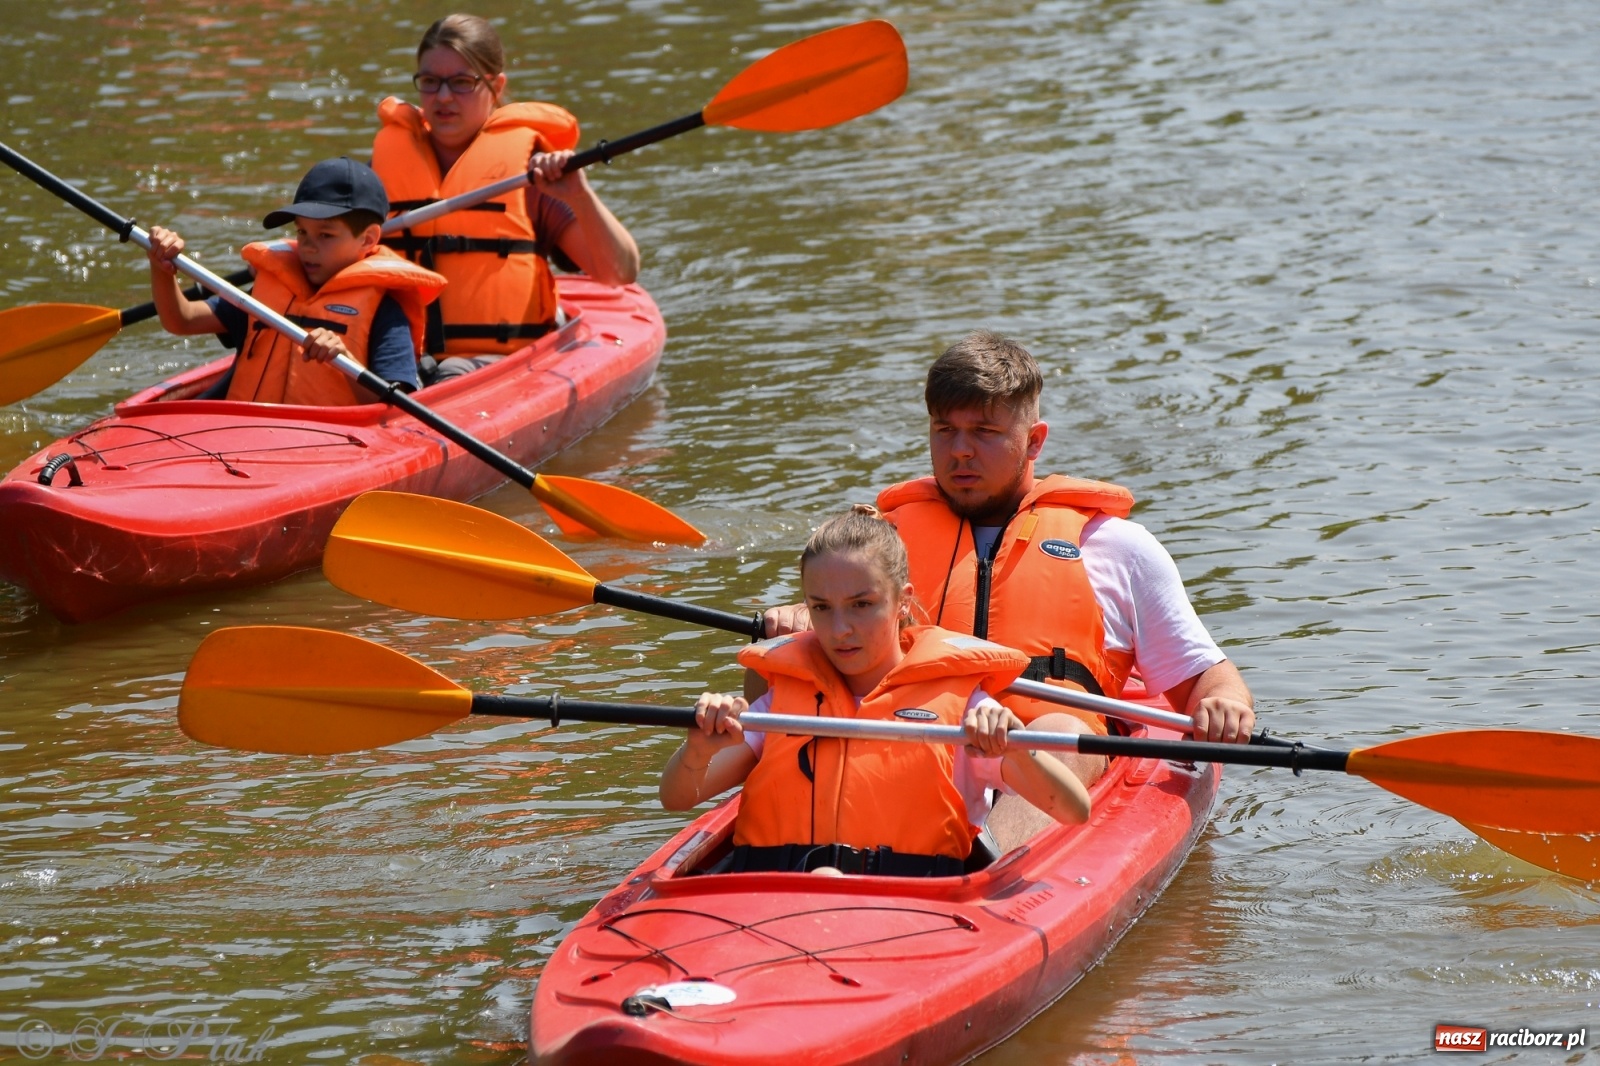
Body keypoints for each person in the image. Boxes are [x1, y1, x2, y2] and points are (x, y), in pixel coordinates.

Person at [759, 332, 1257, 844]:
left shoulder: (1118, 548)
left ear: (1035, 440)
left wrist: (1225, 703)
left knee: (1058, 733)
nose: (959, 452)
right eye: (944, 429)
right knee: (785, 681)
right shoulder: (881, 545)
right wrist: (797, 624)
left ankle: (987, 865)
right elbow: (833, 625)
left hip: (1046, 755)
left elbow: (1208, 679)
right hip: (922, 735)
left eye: (984, 432)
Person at [660, 506, 1091, 877]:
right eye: (821, 609)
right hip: (773, 897)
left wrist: (1014, 746)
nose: (840, 629)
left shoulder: (963, 710)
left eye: (861, 605)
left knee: (828, 879)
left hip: (911, 912)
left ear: (902, 601)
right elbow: (676, 797)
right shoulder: (781, 703)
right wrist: (697, 750)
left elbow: (1073, 811)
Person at [371, 13, 640, 381]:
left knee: (449, 373)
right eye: (430, 82)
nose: (444, 97)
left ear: (496, 86)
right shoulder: (384, 166)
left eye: (462, 82)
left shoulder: (527, 174)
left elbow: (619, 273)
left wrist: (579, 195)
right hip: (398, 355)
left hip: (494, 366)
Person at [146, 157, 445, 404]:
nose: (308, 247)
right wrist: (161, 267)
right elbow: (181, 321)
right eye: (302, 232)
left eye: (325, 235)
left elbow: (393, 406)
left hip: (332, 446)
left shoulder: (386, 310)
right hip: (245, 435)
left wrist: (344, 360)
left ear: (367, 239)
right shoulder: (271, 289)